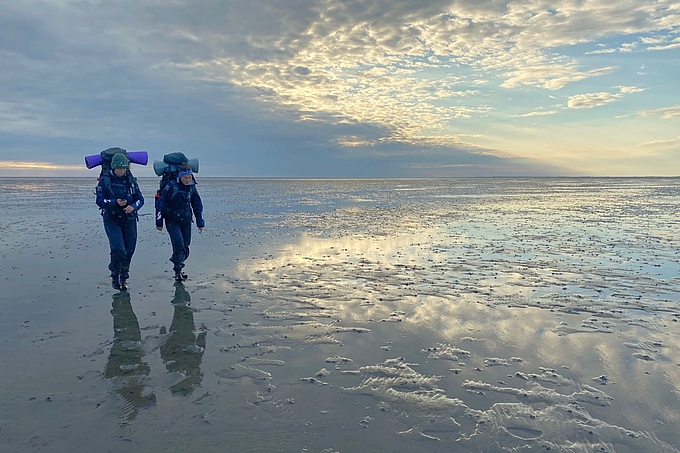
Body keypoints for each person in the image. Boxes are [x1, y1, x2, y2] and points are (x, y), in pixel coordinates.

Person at [96, 152, 144, 290]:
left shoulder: (131, 180)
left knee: (129, 250)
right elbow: (99, 201)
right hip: (112, 219)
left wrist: (133, 207)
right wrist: (114, 202)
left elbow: (140, 199)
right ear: (113, 167)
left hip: (129, 219)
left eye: (124, 168)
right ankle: (115, 274)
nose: (122, 171)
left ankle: (124, 276)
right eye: (119, 168)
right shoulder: (105, 181)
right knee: (118, 249)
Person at [155, 166, 205, 281]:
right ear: (179, 177)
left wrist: (200, 222)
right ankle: (177, 271)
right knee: (178, 245)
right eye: (185, 177)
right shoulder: (171, 186)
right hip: (172, 220)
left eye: (189, 177)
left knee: (185, 246)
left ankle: (179, 266)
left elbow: (197, 204)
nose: (188, 180)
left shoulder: (192, 188)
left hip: (186, 220)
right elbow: (160, 204)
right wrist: (159, 222)